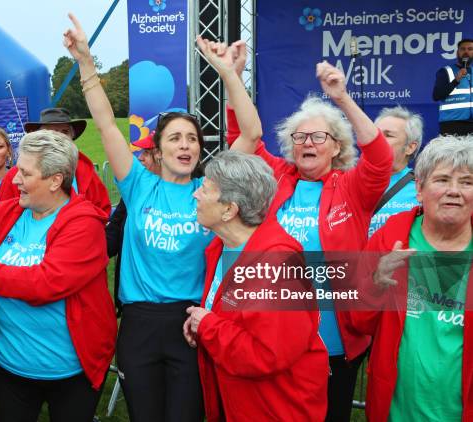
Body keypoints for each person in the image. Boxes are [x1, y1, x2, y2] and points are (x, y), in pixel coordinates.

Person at [64, 14, 261, 421]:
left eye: (192, 138)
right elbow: (103, 121)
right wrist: (86, 62)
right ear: (158, 148)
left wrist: (228, 74)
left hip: (192, 320)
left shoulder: (211, 189)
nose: (185, 145)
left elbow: (253, 135)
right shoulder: (138, 185)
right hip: (139, 322)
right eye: (175, 137)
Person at [227, 60, 393, 420]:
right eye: (299, 137)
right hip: (273, 336)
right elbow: (243, 137)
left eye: (319, 137)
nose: (307, 143)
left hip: (333, 342)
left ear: (336, 147)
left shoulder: (352, 188)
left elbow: (381, 159)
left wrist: (342, 98)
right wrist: (232, 76)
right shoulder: (273, 178)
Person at [0, 129, 117, 422]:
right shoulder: (9, 212)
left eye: (25, 174)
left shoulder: (84, 224)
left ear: (55, 180)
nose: (14, 180)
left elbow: (46, 283)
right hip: (10, 367)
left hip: (69, 370)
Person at [184, 150, 329, 421]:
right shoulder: (222, 247)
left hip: (277, 407)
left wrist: (208, 327)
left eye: (204, 189)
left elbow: (266, 354)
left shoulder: (277, 266)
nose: (196, 195)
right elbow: (232, 317)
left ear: (229, 210)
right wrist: (201, 324)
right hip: (243, 401)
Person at [352, 135, 473, 421]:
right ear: (419, 189)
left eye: (467, 182)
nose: (454, 191)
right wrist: (376, 283)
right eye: (442, 180)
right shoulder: (393, 235)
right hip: (397, 409)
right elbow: (359, 321)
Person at [0, 108, 112, 217]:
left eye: (65, 131)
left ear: (72, 137)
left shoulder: (86, 171)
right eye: (51, 132)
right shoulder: (15, 176)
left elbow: (102, 210)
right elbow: (5, 215)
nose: (59, 137)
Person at [106, 131, 160, 314]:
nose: (141, 158)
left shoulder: (193, 193)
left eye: (147, 152)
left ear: (162, 155)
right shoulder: (134, 192)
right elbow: (112, 236)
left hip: (175, 304)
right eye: (140, 153)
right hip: (136, 305)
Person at [369, 106, 423, 237]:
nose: (377, 141)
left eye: (388, 135)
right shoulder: (350, 183)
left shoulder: (421, 189)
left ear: (410, 147)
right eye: (376, 134)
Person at [433, 38, 473, 136]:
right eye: (463, 49)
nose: (466, 52)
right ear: (457, 53)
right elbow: (437, 96)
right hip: (452, 124)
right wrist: (456, 80)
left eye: (470, 49)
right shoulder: (446, 71)